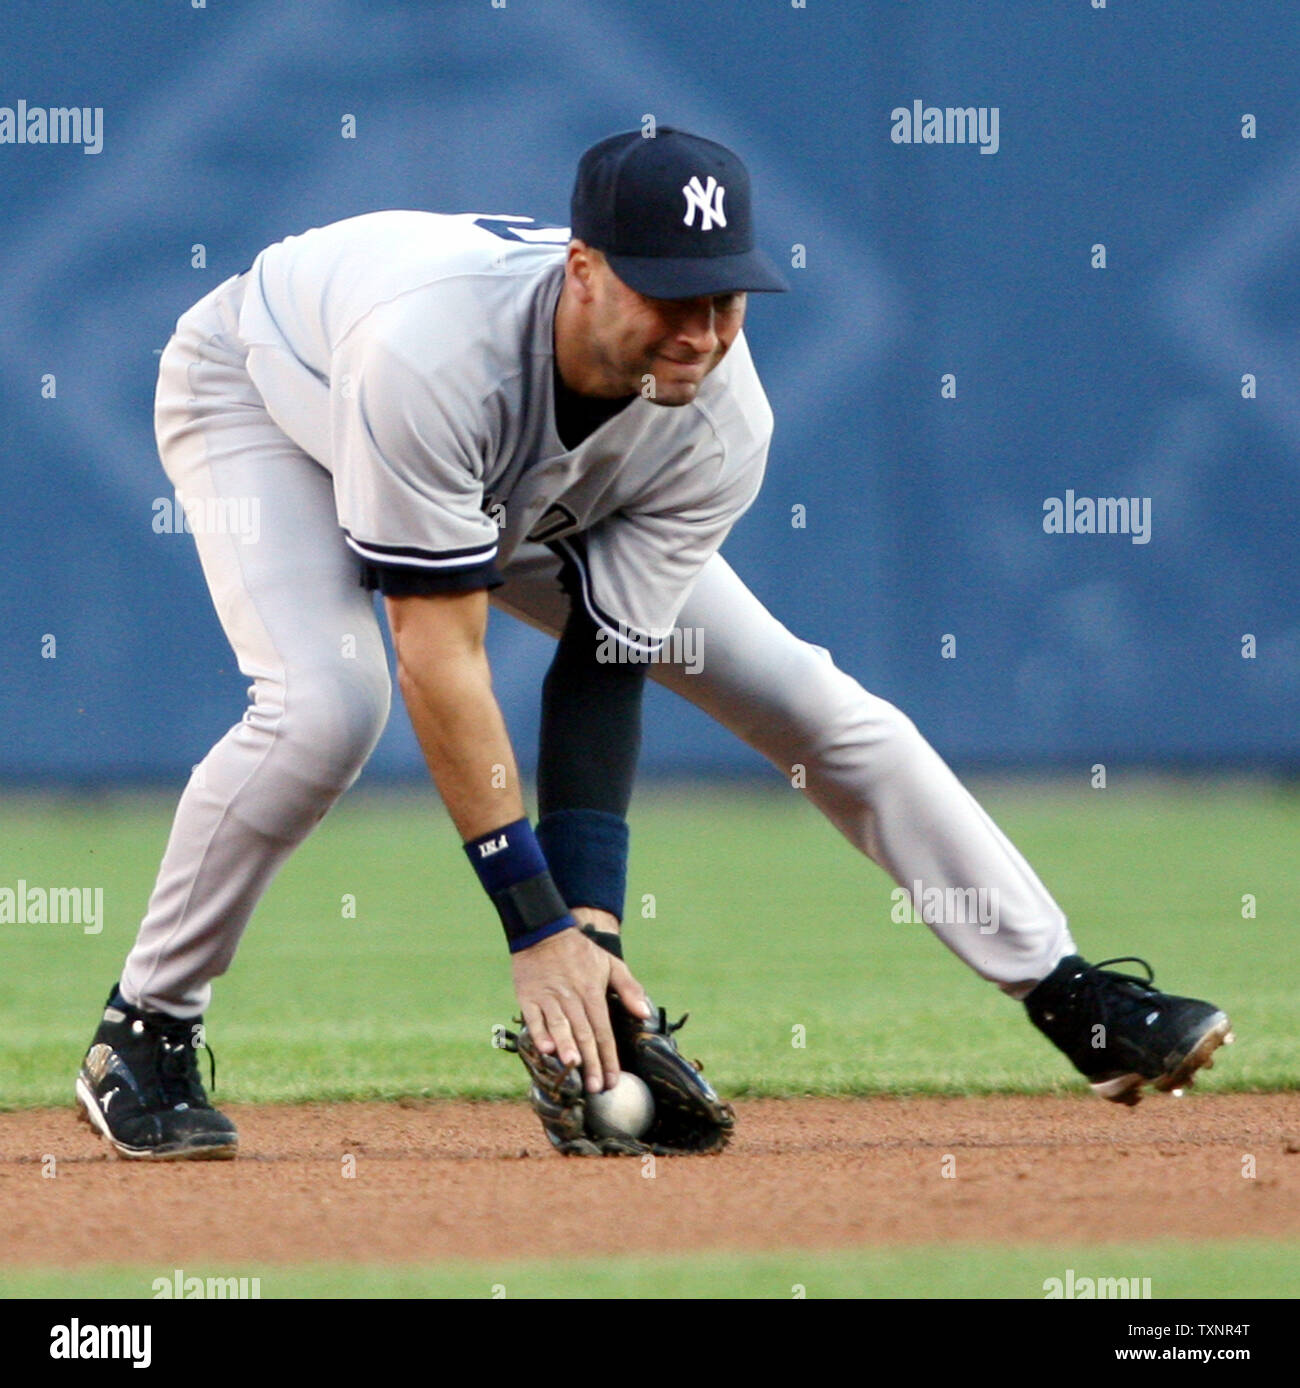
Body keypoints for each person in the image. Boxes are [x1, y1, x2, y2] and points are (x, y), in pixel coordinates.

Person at [76, 128, 1231, 1161]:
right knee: (326, 709)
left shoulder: (721, 413)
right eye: (670, 295)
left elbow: (608, 654)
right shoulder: (433, 351)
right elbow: (440, 654)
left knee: (811, 704)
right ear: (581, 268)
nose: (702, 330)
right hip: (275, 402)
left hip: (518, 482)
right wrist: (531, 926)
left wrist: (591, 940)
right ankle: (146, 1027)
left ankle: (1068, 992)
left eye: (726, 297)